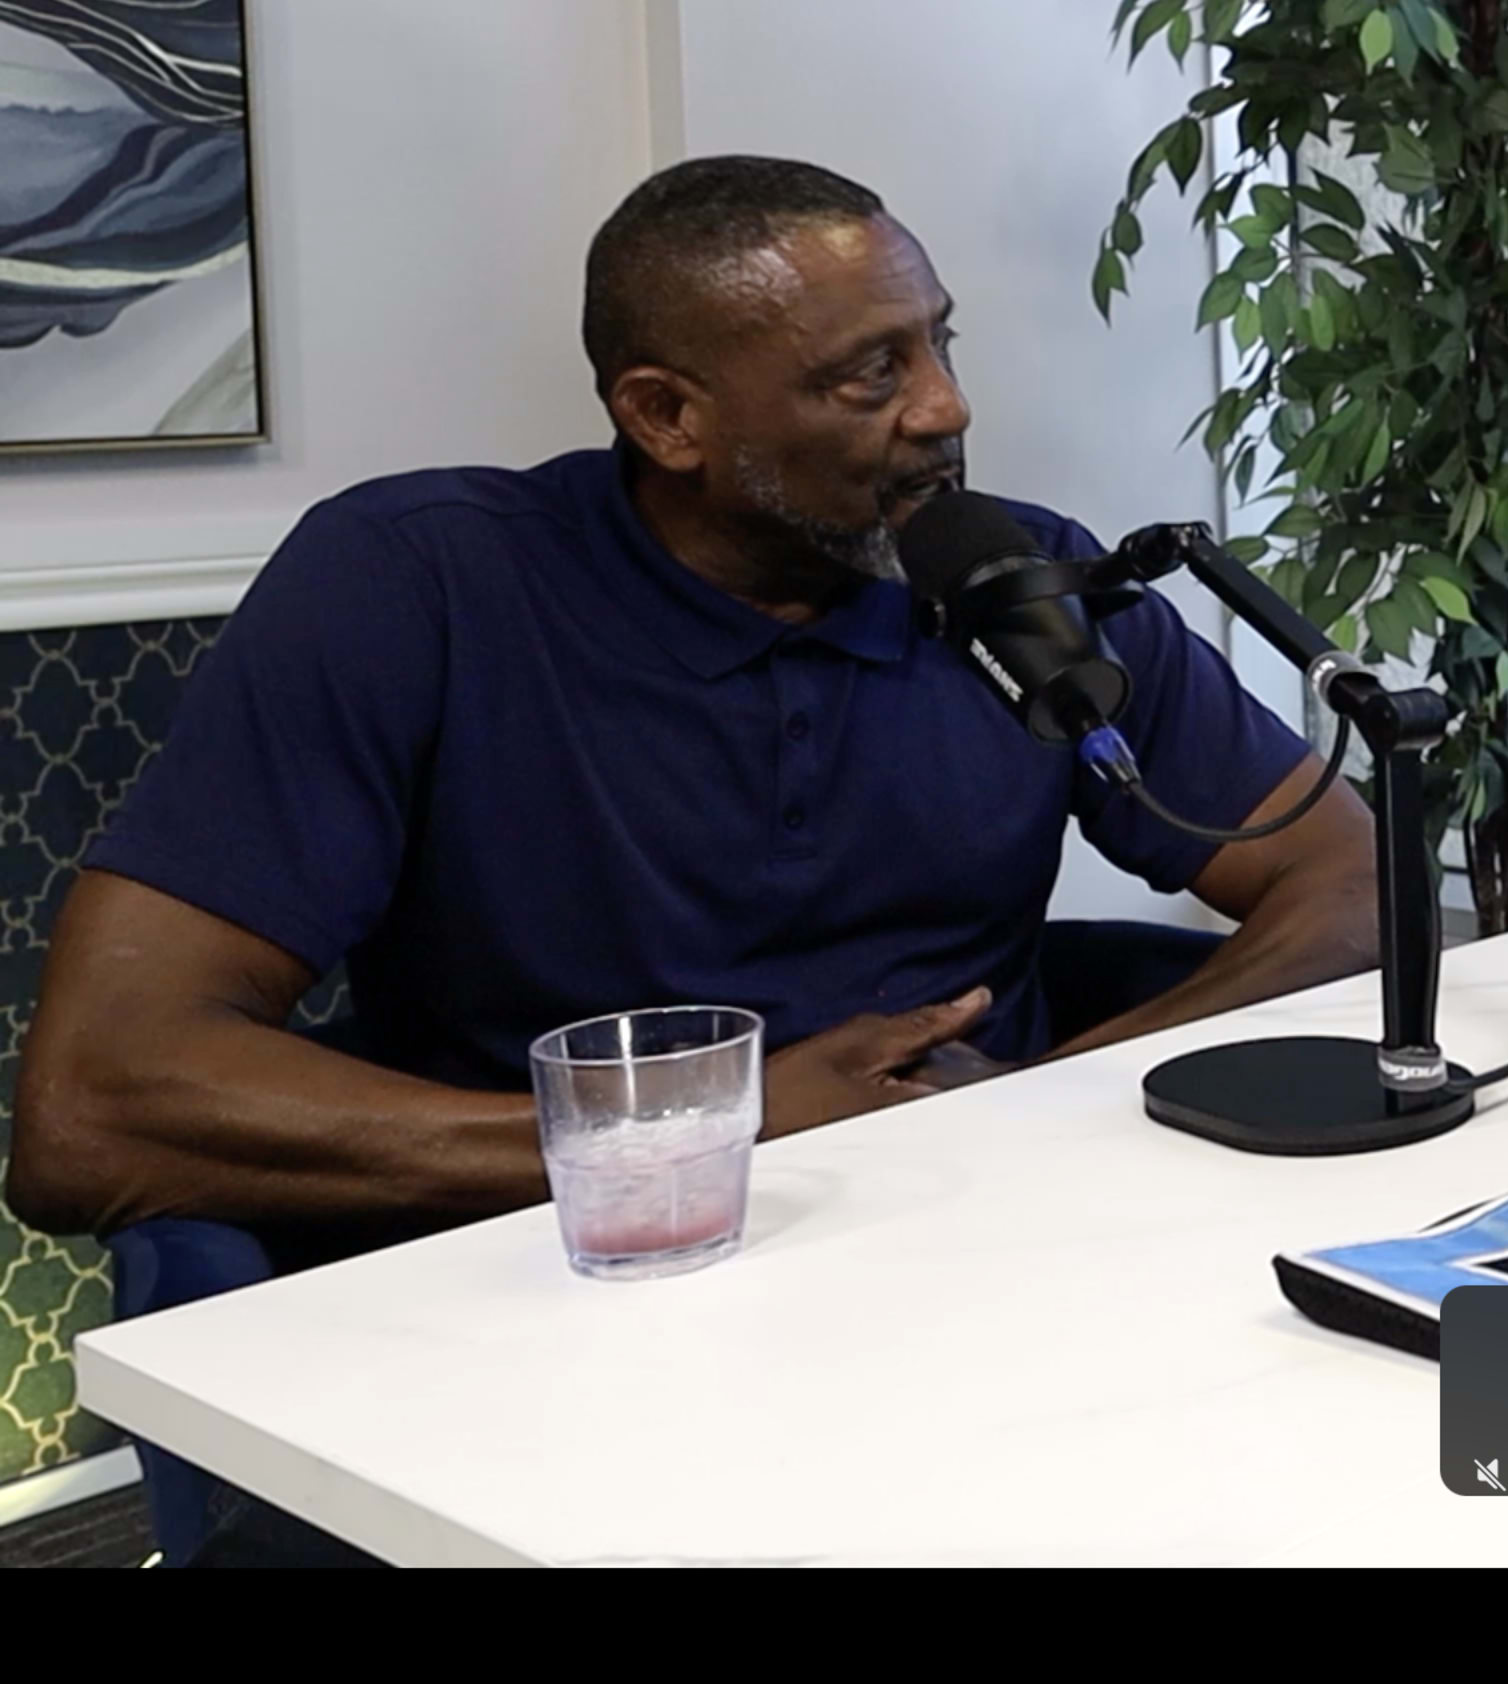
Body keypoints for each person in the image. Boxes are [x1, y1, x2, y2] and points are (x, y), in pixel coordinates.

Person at [10, 155, 1379, 1260]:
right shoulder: (419, 585)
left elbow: (1349, 884)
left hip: (987, 1248)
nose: (946, 408)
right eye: (872, 373)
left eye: (939, 344)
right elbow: (92, 1105)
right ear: (667, 417)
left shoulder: (1012, 580)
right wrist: (714, 1132)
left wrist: (1047, 1102)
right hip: (563, 1282)